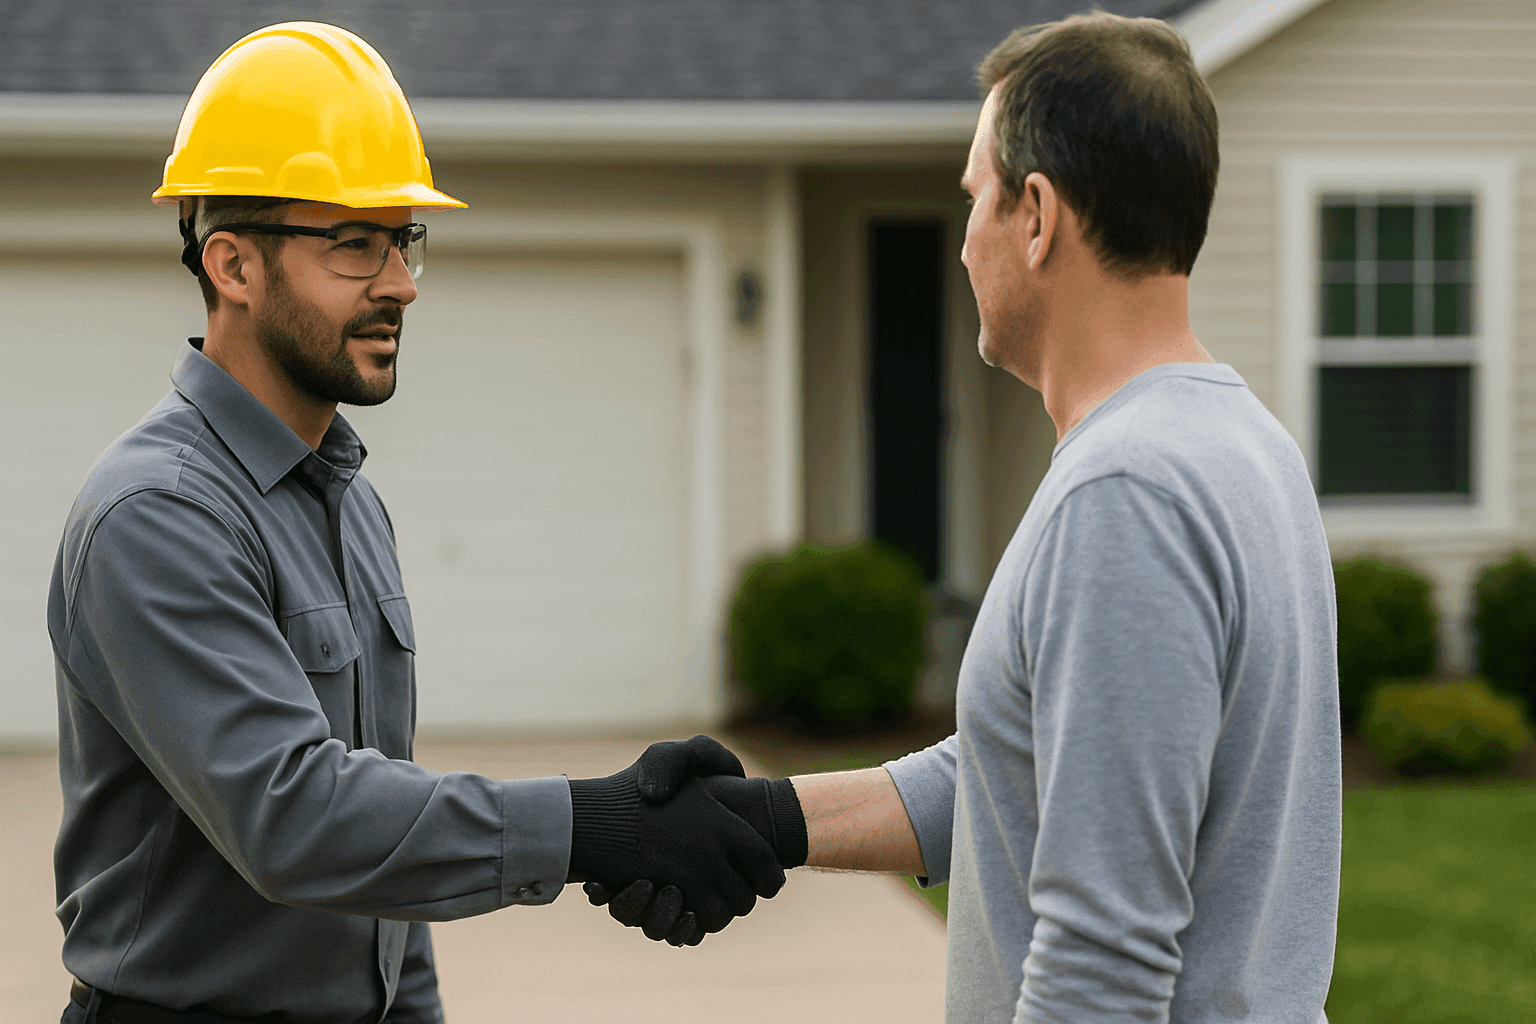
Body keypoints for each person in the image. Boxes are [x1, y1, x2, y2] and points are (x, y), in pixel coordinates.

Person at [47, 22, 785, 1024]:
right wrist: (598, 826)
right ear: (232, 265)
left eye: (404, 241)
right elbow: (298, 819)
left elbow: (379, 850)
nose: (398, 282)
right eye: (354, 243)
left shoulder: (349, 500)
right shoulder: (159, 514)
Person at [619, 12, 1343, 1023]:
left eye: (976, 200)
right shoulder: (1243, 447)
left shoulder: (1125, 495)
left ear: (1038, 216)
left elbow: (1103, 959)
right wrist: (764, 818)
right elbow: (1028, 776)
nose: (963, 244)